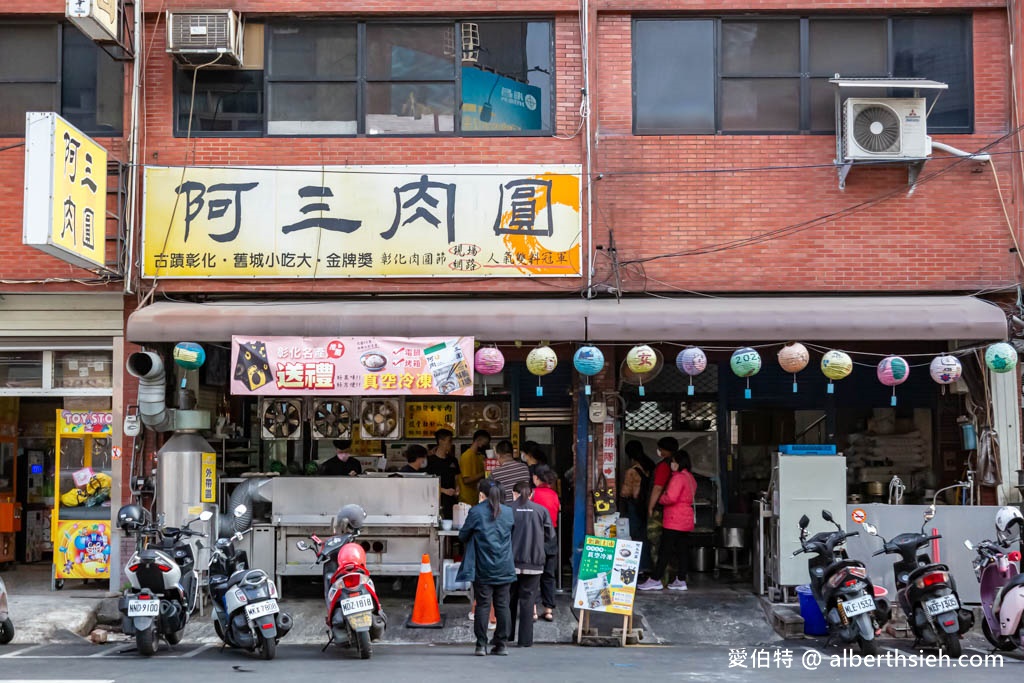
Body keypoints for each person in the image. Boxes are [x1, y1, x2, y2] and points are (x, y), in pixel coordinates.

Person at [457, 479, 515, 656]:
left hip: (483, 566)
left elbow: (463, 535)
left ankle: (481, 644)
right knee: (503, 605)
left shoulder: (476, 511)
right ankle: (502, 644)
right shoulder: (508, 512)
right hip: (505, 565)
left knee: (483, 604)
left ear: (481, 494)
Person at [638, 450, 697, 591]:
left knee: (665, 550)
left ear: (679, 463)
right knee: (682, 550)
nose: (672, 464)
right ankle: (681, 580)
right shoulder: (690, 477)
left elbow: (671, 497)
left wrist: (661, 499)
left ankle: (655, 579)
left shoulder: (677, 478)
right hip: (686, 518)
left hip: (674, 518)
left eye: (674, 461)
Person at [508, 481, 554, 647]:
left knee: (509, 599)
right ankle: (525, 640)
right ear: (531, 494)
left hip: (511, 563)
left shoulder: (509, 510)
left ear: (515, 494)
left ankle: (507, 635)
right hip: (534, 563)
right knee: (528, 600)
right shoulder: (541, 511)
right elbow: (550, 536)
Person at [620, 440, 655, 581]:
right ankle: (647, 566)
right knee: (645, 536)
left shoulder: (632, 471)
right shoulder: (650, 466)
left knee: (633, 536)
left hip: (634, 505)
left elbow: (625, 492)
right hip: (647, 505)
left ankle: (637, 567)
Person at [531, 465, 560, 621]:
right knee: (549, 575)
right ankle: (548, 610)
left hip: (535, 538)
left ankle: (533, 610)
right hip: (551, 537)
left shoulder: (533, 494)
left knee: (534, 574)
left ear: (536, 478)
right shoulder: (554, 495)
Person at [426, 428, 460, 518]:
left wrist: (457, 488)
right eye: (449, 441)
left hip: (452, 501)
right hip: (435, 501)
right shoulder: (430, 461)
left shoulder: (453, 460)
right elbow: (427, 483)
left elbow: (456, 477)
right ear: (441, 441)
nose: (451, 443)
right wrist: (444, 490)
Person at [490, 439, 530, 504]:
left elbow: (491, 492)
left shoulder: (495, 473)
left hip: (505, 509)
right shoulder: (524, 467)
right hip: (524, 506)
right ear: (512, 453)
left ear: (498, 455)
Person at [459, 430, 491, 505]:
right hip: (466, 500)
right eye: (484, 443)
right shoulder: (467, 456)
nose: (485, 446)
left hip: (476, 498)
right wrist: (484, 473)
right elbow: (466, 480)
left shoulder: (480, 457)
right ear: (478, 440)